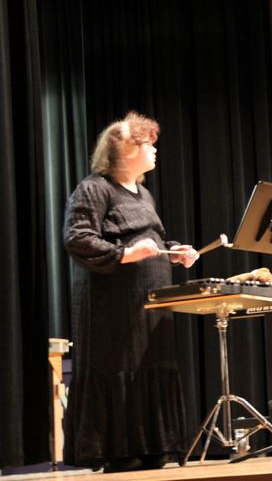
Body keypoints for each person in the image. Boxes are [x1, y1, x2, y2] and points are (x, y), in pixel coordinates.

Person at [63, 112, 199, 472]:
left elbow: (151, 239)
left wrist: (175, 250)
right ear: (123, 149)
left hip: (151, 303)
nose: (154, 149)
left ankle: (156, 445)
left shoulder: (144, 194)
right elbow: (78, 239)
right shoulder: (95, 188)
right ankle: (121, 450)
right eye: (146, 143)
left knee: (150, 368)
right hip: (114, 308)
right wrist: (124, 253)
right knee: (120, 368)